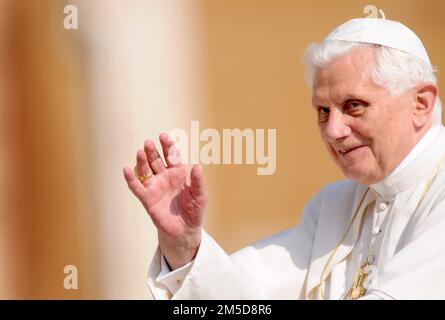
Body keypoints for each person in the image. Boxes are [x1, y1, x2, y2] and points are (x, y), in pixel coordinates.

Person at [123, 17, 445, 300]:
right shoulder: (335, 206)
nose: (333, 131)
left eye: (354, 105)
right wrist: (184, 244)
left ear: (420, 104)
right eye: (323, 111)